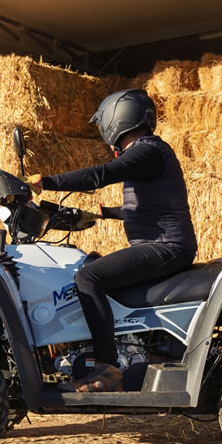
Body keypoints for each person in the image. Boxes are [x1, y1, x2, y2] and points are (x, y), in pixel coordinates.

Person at [27, 89, 197, 392]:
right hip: (164, 245)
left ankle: (105, 370)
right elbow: (149, 206)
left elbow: (101, 175)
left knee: (88, 277)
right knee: (91, 263)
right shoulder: (151, 154)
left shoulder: (147, 151)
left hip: (166, 247)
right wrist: (103, 213)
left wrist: (48, 182)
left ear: (116, 120)